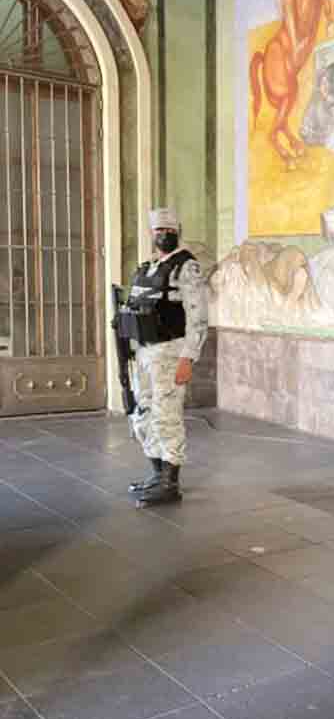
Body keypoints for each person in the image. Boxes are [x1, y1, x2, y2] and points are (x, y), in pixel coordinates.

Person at [123, 208, 208, 506]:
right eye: (159, 230)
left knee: (166, 415)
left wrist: (189, 357)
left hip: (171, 352)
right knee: (144, 412)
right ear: (151, 233)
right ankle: (158, 474)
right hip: (144, 352)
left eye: (170, 230)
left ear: (178, 232)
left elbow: (198, 317)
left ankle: (170, 482)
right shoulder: (147, 268)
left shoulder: (187, 267)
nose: (164, 235)